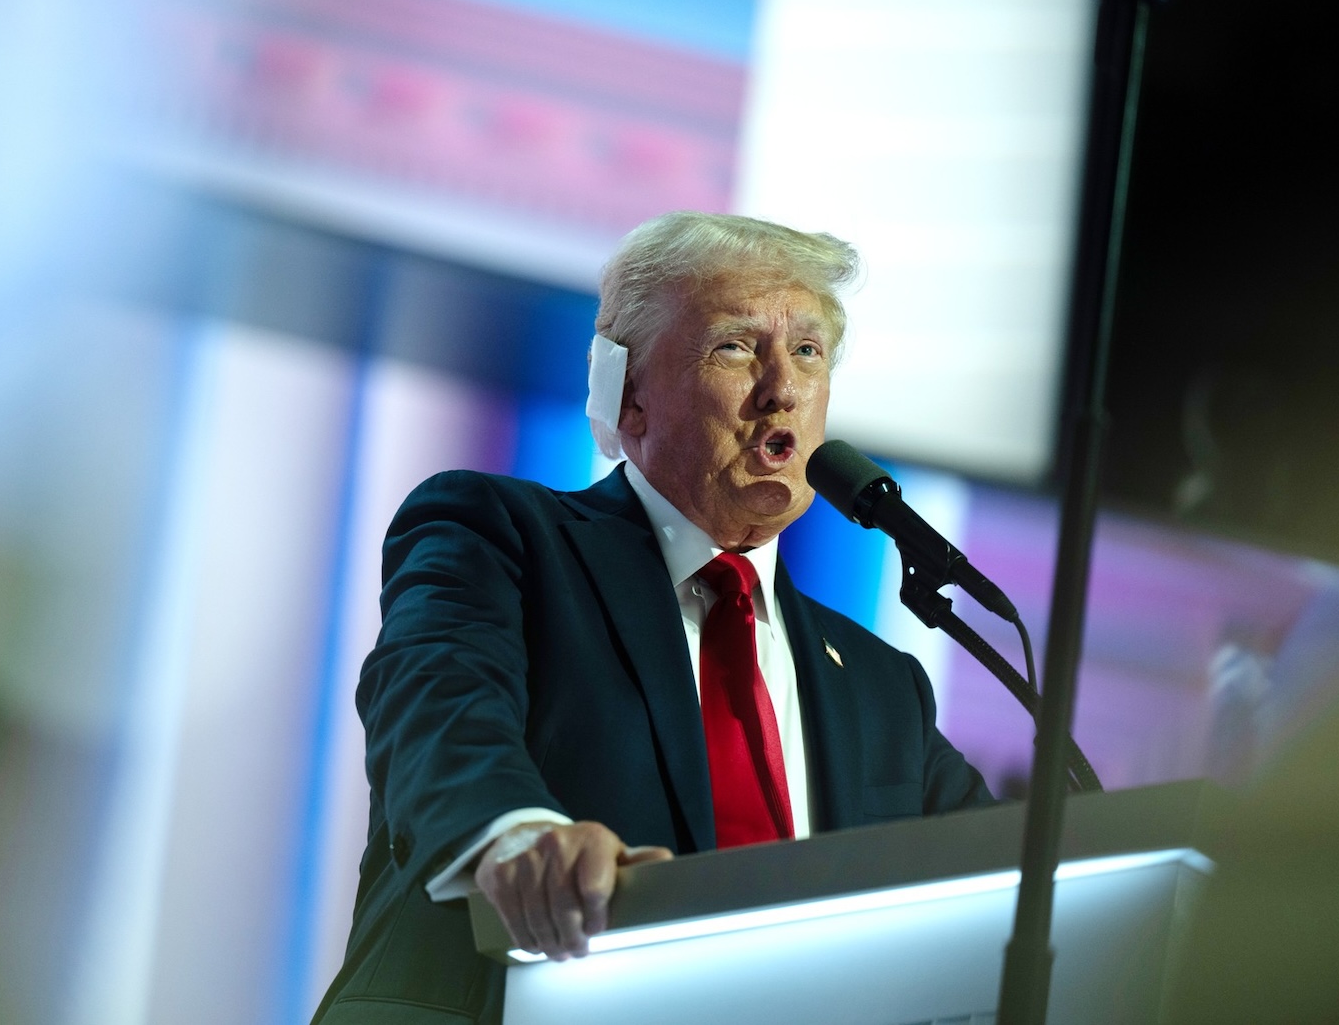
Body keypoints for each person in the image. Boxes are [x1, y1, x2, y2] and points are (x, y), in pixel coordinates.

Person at [312, 211, 993, 1024]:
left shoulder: (885, 687)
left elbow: (1011, 880)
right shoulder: (499, 535)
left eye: (808, 352)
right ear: (630, 397)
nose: (784, 387)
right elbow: (438, 707)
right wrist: (519, 838)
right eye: (736, 347)